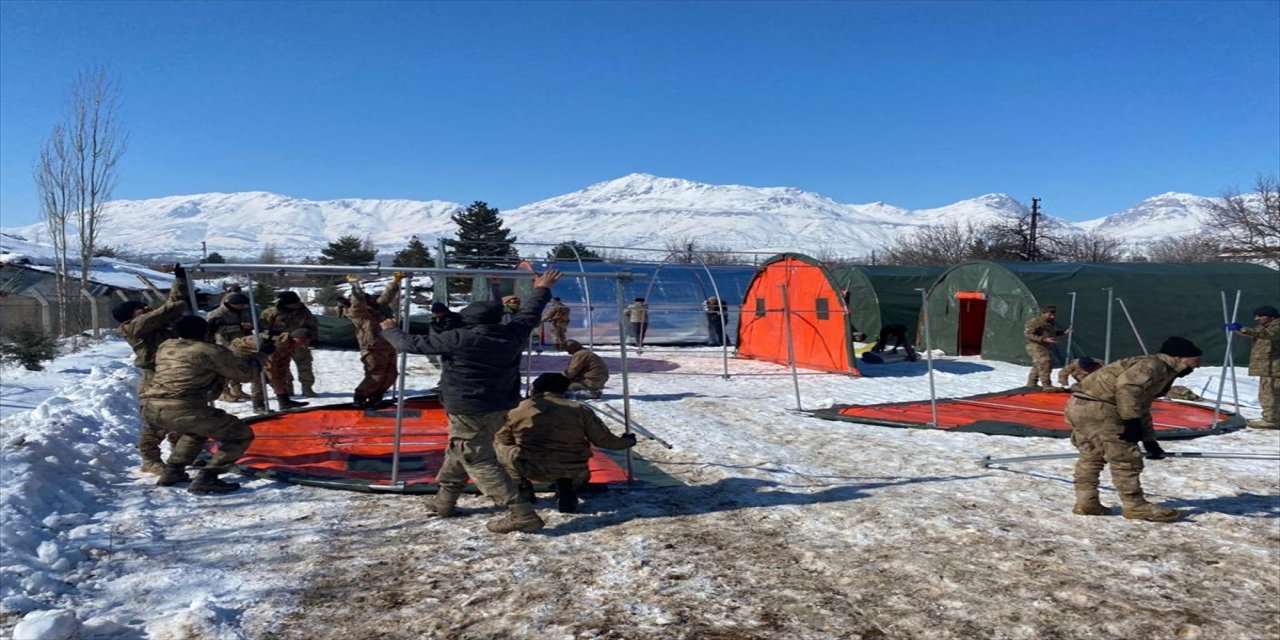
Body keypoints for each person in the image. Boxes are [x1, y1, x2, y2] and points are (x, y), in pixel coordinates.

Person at [381, 269, 563, 534]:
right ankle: (444, 501)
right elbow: (531, 312)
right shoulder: (513, 333)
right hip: (500, 404)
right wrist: (541, 288)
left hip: (468, 407)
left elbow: (411, 344)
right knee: (462, 449)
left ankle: (520, 513)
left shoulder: (460, 338)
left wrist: (390, 329)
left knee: (477, 458)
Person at [1064, 336, 1204, 522]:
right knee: (1124, 457)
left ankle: (1086, 502)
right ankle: (1134, 506)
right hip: (1102, 409)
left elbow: (1141, 404)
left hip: (1081, 405)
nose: (1198, 366)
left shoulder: (1156, 367)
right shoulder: (1154, 366)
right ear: (1181, 357)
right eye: (1196, 360)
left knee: (1092, 454)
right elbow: (1128, 389)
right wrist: (1130, 422)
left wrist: (1149, 440)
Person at [142, 315, 269, 494]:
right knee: (240, 434)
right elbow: (245, 374)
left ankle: (173, 471)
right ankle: (208, 477)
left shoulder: (166, 346)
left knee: (198, 431)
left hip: (152, 407)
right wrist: (262, 355)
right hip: (184, 408)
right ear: (204, 332)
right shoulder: (209, 350)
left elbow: (194, 354)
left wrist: (207, 333)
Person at [495, 373, 636, 513]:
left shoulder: (518, 409)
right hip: (575, 470)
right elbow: (604, 440)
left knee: (500, 447)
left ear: (536, 388)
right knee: (568, 472)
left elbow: (504, 439)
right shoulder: (580, 410)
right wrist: (627, 441)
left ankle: (521, 487)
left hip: (532, 468)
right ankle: (566, 486)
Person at [113, 263, 189, 475]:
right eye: (141, 308)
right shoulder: (133, 328)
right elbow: (170, 309)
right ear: (131, 315)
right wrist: (176, 305)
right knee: (156, 421)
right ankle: (150, 459)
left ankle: (181, 454)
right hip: (153, 378)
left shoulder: (153, 322)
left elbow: (173, 304)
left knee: (181, 415)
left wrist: (180, 280)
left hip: (173, 374)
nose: (147, 309)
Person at [346, 273, 403, 408]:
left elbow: (387, 296)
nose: (372, 300)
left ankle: (377, 395)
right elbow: (357, 303)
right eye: (368, 299)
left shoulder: (378, 309)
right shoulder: (359, 314)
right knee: (375, 374)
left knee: (391, 375)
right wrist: (356, 287)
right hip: (373, 347)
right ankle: (360, 396)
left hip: (389, 345)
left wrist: (395, 282)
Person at [260, 290, 320, 397]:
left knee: (305, 366)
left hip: (299, 343)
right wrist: (272, 338)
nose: (296, 305)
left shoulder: (304, 311)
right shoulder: (270, 312)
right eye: (293, 303)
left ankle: (307, 388)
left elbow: (312, 326)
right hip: (279, 345)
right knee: (282, 368)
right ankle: (286, 390)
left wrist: (312, 338)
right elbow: (262, 329)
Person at [1230, 305, 1280, 429]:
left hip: (1274, 368)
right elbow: (1259, 334)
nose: (1256, 319)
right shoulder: (1266, 327)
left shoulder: (1276, 328)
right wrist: (1238, 331)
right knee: (1271, 394)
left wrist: (1243, 329)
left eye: (1260, 316)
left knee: (1270, 395)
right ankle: (1273, 418)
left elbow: (1269, 334)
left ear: (1271, 317)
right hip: (1269, 368)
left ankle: (1271, 420)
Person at [207, 292, 255, 402]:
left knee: (237, 367)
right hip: (224, 343)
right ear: (233, 304)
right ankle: (224, 392)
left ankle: (236, 389)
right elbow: (216, 329)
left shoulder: (242, 312)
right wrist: (238, 327)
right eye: (241, 305)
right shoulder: (218, 313)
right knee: (225, 369)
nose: (243, 307)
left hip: (240, 343)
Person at [1024, 305, 1071, 389]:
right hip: (1035, 345)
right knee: (1045, 363)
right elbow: (1028, 334)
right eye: (1049, 315)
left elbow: (1050, 334)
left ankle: (1031, 384)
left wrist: (1063, 332)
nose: (1052, 317)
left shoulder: (1048, 322)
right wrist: (1043, 339)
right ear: (1043, 313)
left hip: (1043, 346)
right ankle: (1046, 385)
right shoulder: (1035, 322)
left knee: (1038, 365)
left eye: (1053, 315)